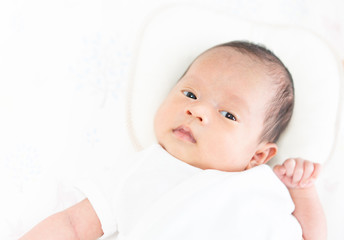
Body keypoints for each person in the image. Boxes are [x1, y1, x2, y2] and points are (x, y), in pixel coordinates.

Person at [19, 41, 326, 240]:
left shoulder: (264, 184)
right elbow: (74, 224)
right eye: (191, 94)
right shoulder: (140, 169)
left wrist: (303, 190)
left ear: (258, 155)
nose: (199, 110)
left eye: (228, 114)